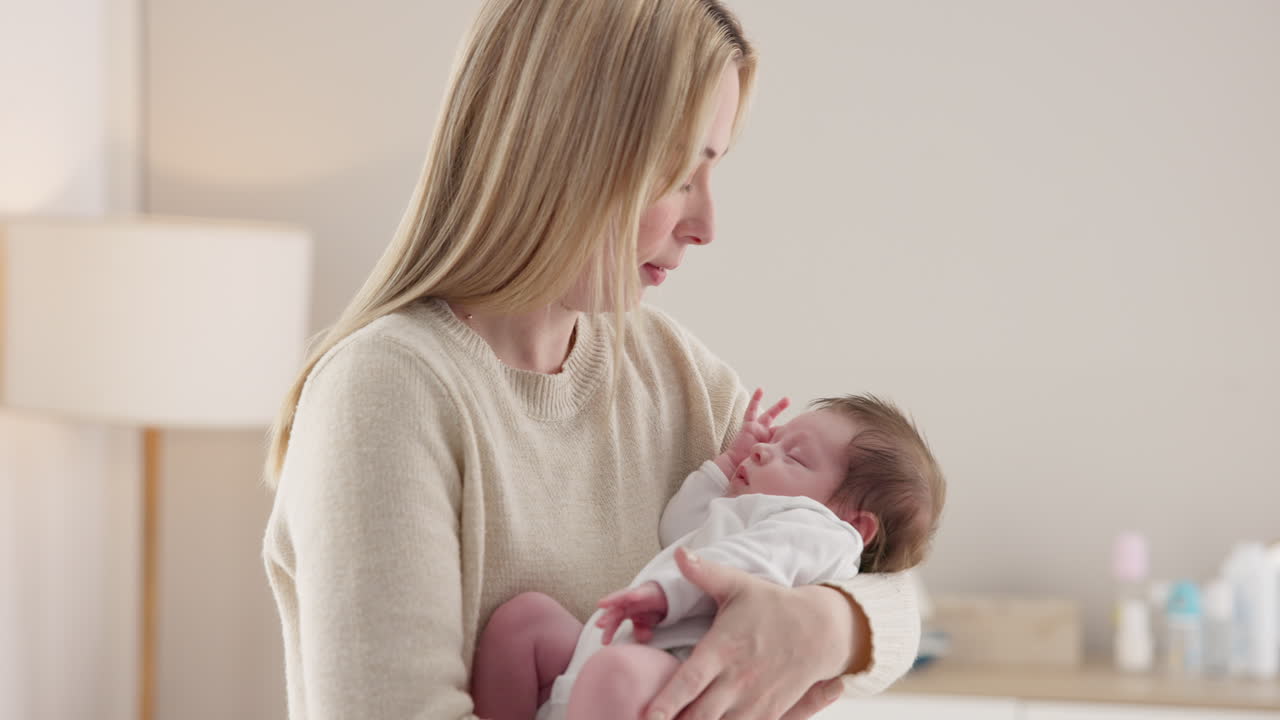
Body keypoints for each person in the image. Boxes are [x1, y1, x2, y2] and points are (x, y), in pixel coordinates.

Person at [260, 2, 922, 719]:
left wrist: (825, 627)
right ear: (569, 153)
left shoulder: (676, 375)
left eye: (714, 171)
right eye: (680, 176)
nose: (707, 226)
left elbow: (890, 577)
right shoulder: (385, 395)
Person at [471, 391, 945, 720]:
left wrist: (664, 592)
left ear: (856, 523)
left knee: (614, 675)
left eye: (794, 457)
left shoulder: (817, 532)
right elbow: (680, 529)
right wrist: (724, 468)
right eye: (772, 440)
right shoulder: (752, 512)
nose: (762, 451)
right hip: (615, 662)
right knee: (525, 621)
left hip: (679, 682)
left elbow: (741, 564)